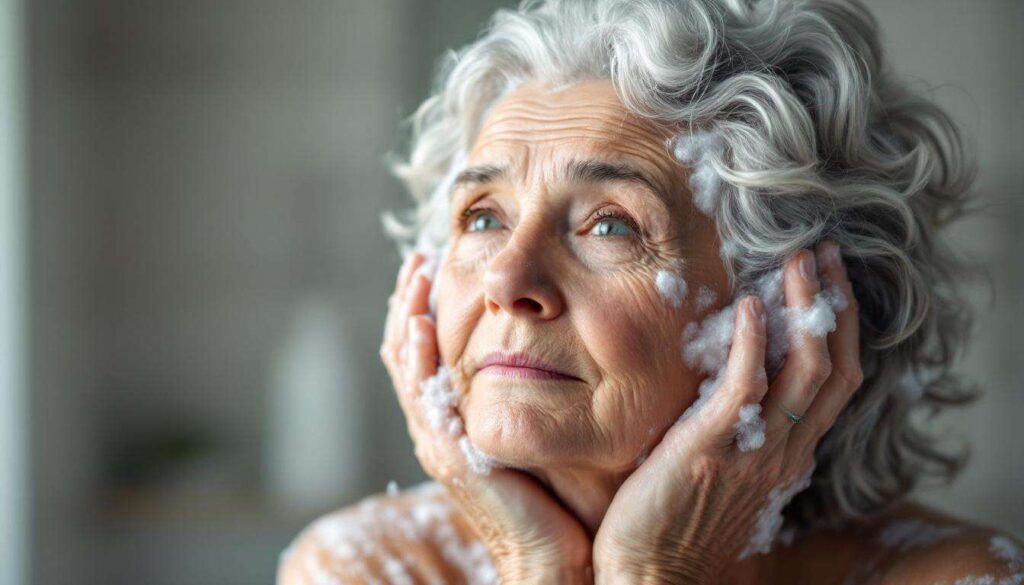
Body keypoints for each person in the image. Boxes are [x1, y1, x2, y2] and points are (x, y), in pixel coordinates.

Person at [278, 0, 1023, 583]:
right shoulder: (369, 570)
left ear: (799, 315)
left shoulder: (954, 579)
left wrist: (652, 574)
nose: (506, 280)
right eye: (482, 216)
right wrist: (536, 567)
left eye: (609, 227)